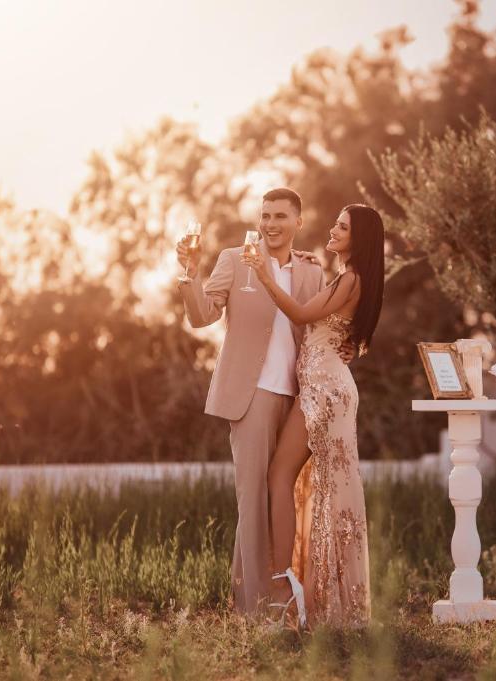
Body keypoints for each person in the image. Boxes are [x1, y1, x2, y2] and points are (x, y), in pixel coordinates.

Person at [176, 187, 325, 616]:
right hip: (251, 393)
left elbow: (320, 329)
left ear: (299, 221)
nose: (271, 224)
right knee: (253, 498)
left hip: (297, 399)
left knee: (282, 496)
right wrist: (190, 271)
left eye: (280, 216)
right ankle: (260, 606)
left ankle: (261, 599)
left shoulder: (312, 272)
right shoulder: (233, 260)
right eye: (265, 216)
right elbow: (202, 316)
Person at [241, 203, 385, 628]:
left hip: (324, 392)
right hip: (323, 387)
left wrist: (264, 274)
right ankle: (307, 590)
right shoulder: (348, 278)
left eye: (342, 226)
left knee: (281, 477)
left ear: (358, 239)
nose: (333, 229)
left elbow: (303, 315)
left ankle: (284, 587)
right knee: (318, 486)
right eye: (336, 223)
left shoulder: (354, 278)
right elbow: (336, 327)